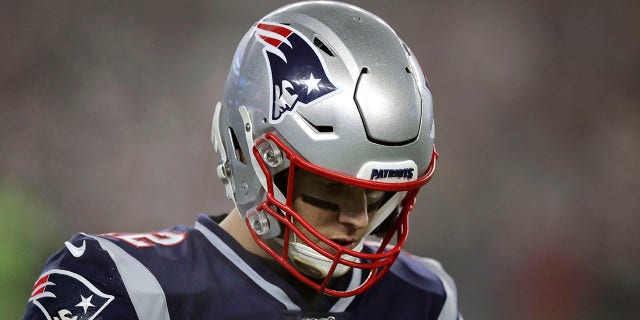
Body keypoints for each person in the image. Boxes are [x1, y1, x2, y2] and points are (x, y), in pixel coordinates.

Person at [23, 1, 461, 319]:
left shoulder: (424, 298)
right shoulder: (126, 285)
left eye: (375, 196)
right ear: (254, 158)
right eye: (331, 188)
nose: (357, 221)